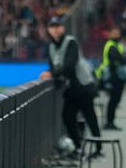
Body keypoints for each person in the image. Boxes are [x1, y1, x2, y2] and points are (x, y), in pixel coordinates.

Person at [42, 16, 103, 158]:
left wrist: (51, 73)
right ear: (49, 30)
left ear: (63, 28)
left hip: (83, 86)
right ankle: (79, 148)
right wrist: (53, 74)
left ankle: (99, 150)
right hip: (71, 88)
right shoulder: (51, 46)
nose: (56, 30)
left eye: (58, 26)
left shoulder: (71, 42)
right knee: (67, 116)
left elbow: (69, 65)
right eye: (52, 27)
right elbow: (54, 66)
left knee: (90, 117)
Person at [96, 26, 126, 130]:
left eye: (118, 33)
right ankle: (109, 123)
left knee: (114, 101)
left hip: (116, 76)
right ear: (110, 34)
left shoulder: (117, 45)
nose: (116, 36)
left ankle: (110, 122)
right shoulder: (111, 45)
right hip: (112, 77)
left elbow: (124, 58)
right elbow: (120, 59)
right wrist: (123, 58)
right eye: (114, 33)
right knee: (113, 100)